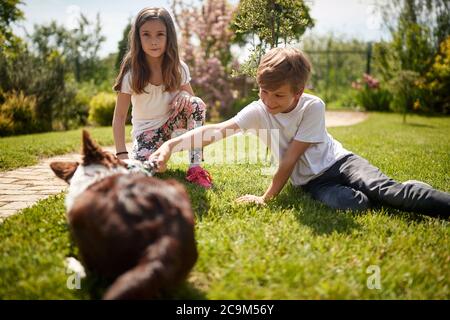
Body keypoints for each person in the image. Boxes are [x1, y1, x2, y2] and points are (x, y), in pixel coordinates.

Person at [150, 47, 450, 218]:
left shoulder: (312, 106)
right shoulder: (259, 109)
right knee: (354, 205)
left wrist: (266, 198)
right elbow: (218, 130)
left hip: (342, 163)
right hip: (313, 183)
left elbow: (291, 157)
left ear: (298, 92)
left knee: (388, 192)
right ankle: (396, 193)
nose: (268, 101)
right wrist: (170, 146)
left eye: (278, 95)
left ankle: (414, 192)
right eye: (263, 92)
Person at [112, 7, 212, 188]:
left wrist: (183, 93)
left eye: (160, 34)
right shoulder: (131, 74)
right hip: (147, 135)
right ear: (138, 38)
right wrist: (121, 155)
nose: (153, 41)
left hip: (174, 130)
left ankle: (195, 168)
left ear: (169, 37)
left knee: (196, 104)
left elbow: (193, 105)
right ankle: (155, 158)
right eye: (146, 35)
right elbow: (119, 117)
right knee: (143, 172)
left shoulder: (178, 68)